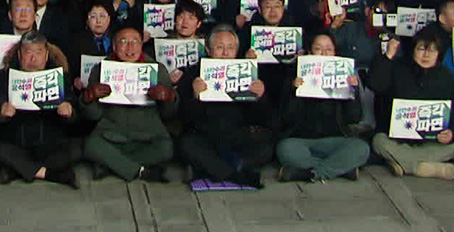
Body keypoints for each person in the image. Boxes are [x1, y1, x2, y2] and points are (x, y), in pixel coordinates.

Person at [178, 25, 275, 188]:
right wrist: (195, 97)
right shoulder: (194, 73)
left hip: (237, 135)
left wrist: (260, 96)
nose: (225, 53)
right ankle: (236, 174)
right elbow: (184, 118)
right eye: (220, 47)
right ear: (208, 50)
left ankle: (211, 169)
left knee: (266, 147)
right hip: (205, 135)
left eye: (230, 48)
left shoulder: (246, 72)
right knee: (186, 144)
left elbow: (266, 118)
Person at [79, 27, 178, 182]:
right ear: (114, 46)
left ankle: (111, 165)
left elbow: (168, 114)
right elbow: (94, 115)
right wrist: (88, 98)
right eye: (123, 42)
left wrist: (169, 97)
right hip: (111, 135)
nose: (130, 47)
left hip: (148, 135)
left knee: (166, 149)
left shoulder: (157, 70)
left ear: (141, 45)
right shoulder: (101, 70)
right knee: (91, 146)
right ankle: (140, 171)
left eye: (135, 42)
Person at [368, 25, 454, 179]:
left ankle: (405, 164)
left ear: (438, 54)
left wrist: (450, 132)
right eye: (421, 49)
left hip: (431, 141)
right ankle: (422, 168)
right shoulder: (398, 68)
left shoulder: (445, 76)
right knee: (379, 142)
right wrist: (388, 56)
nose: (426, 55)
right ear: (413, 50)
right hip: (397, 139)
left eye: (432, 50)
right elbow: (376, 85)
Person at [0, 30, 79, 187]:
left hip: (49, 143)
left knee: (76, 149)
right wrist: (0, 112)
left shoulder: (59, 76)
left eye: (38, 52)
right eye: (28, 53)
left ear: (47, 55)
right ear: (20, 55)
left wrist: (69, 111)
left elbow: (74, 111)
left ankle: (20, 170)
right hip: (16, 142)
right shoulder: (4, 76)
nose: (33, 59)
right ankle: (49, 174)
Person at [276, 33, 370, 182]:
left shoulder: (344, 77)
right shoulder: (295, 77)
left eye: (329, 49)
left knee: (361, 148)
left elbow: (354, 118)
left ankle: (310, 173)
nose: (324, 53)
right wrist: (293, 91)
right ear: (310, 52)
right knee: (285, 149)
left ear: (335, 53)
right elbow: (286, 118)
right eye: (318, 49)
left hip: (335, 140)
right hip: (302, 140)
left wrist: (353, 92)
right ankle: (340, 169)